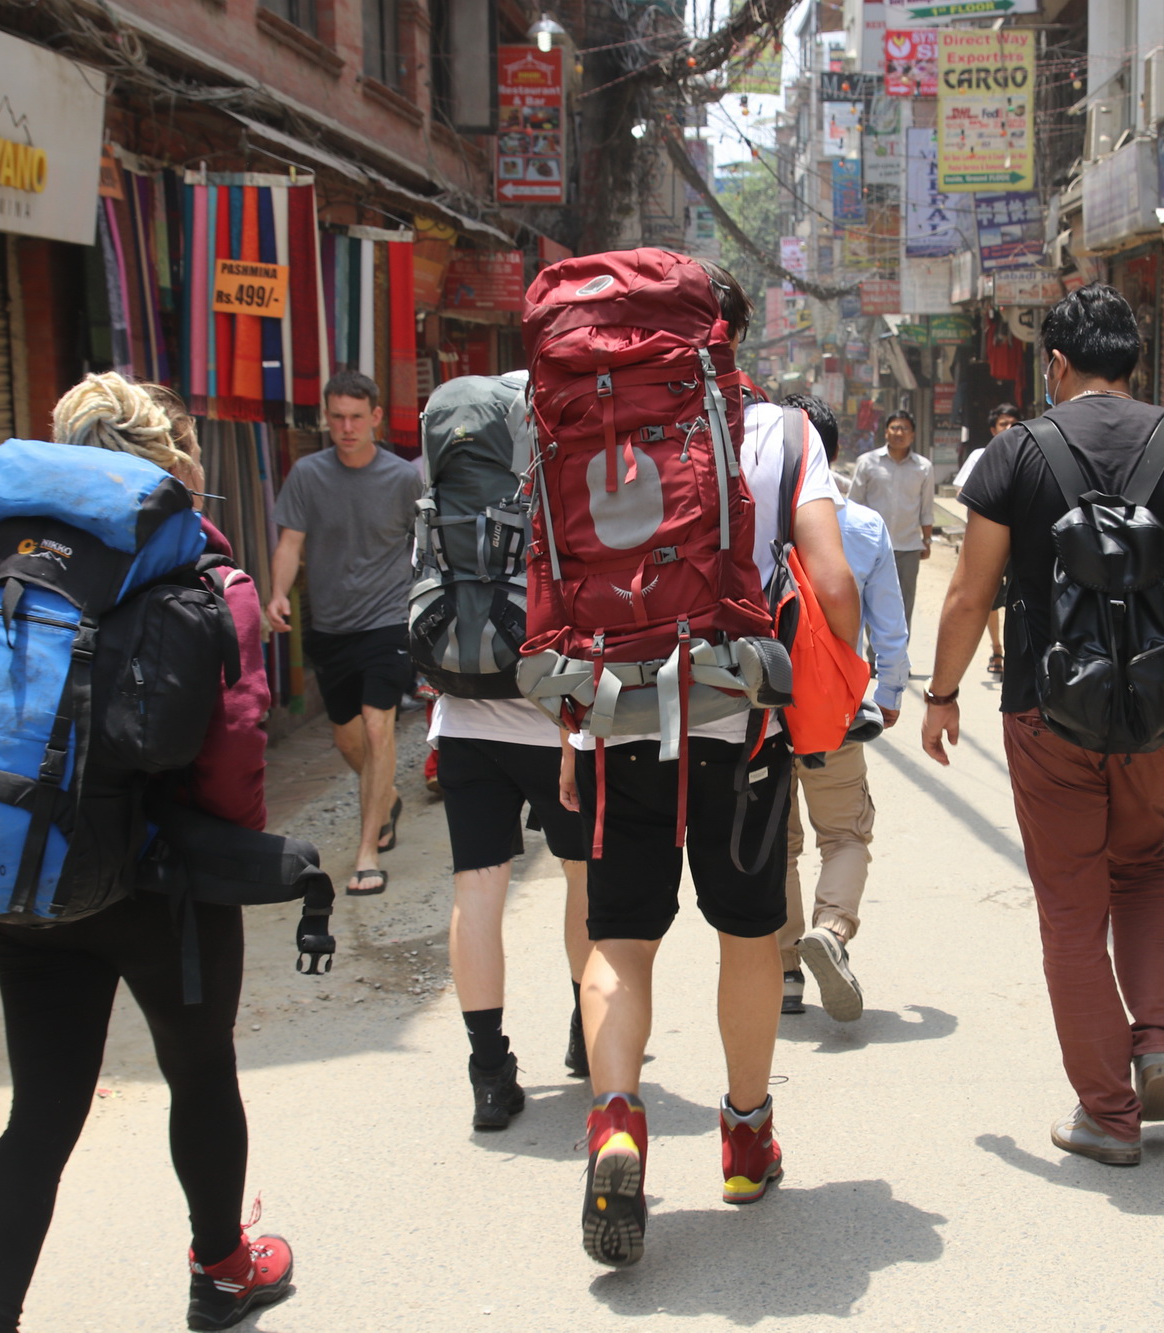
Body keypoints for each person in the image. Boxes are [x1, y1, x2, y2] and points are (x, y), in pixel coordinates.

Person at [0, 374, 293, 1332]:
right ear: (173, 456)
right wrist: (230, 851)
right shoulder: (199, 575)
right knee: (200, 1073)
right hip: (164, 887)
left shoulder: (4, 557)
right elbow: (235, 753)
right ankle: (224, 1271)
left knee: (42, 1110)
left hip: (27, 866)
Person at [569, 263, 860, 1267]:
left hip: (614, 714)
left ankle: (615, 1122)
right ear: (732, 334)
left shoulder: (587, 418)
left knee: (619, 935)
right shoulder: (782, 433)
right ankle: (743, 1136)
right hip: (740, 722)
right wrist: (832, 690)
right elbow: (830, 578)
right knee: (747, 929)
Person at [922, 285, 1164, 1167]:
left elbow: (968, 594)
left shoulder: (1015, 454)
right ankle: (1156, 1041)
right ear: (1136, 364)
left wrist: (943, 692)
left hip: (1047, 707)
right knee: (1143, 864)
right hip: (1160, 712)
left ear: (1056, 365)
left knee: (1072, 908)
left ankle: (1108, 1112)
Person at [775, 393, 910, 1022]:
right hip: (832, 709)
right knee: (845, 833)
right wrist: (887, 697)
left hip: (762, 712)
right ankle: (830, 930)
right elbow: (888, 625)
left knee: (778, 843)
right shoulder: (861, 527)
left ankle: (785, 976)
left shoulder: (751, 521)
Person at [265, 371, 421, 895]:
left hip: (387, 621)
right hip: (331, 624)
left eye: (357, 417)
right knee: (347, 736)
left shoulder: (404, 479)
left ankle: (366, 853)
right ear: (326, 418)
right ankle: (387, 799)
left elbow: (426, 547)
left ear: (376, 417)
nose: (346, 427)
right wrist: (278, 592)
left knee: (379, 728)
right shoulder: (308, 475)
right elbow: (290, 542)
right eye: (337, 418)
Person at [432, 692, 592, 1129]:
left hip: (463, 729)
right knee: (584, 875)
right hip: (554, 729)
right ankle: (590, 1031)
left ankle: (488, 1073)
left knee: (475, 888)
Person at [849, 408, 938, 631]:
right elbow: (854, 504)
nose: (899, 432)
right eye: (894, 427)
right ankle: (873, 658)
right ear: (886, 432)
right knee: (871, 600)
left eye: (904, 428)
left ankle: (898, 660)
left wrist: (926, 541)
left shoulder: (923, 467)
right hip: (872, 547)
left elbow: (926, 509)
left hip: (908, 547)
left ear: (913, 434)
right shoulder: (867, 462)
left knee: (904, 602)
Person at [953, 402, 1021, 678]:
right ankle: (997, 649)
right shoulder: (982, 455)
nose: (1008, 428)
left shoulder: (1029, 451)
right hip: (989, 539)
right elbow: (963, 489)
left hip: (1021, 539)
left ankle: (1018, 653)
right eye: (1003, 424)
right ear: (993, 429)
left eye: (1013, 423)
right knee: (988, 596)